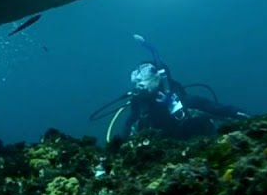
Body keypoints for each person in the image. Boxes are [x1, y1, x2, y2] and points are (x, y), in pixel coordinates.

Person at [91, 35, 247, 142]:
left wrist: (242, 116)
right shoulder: (139, 106)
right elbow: (126, 131)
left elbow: (214, 107)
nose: (138, 78)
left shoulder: (180, 100)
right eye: (136, 73)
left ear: (161, 76)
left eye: (146, 72)